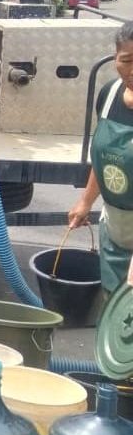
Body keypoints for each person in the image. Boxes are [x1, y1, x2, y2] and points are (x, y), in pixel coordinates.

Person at [68, 21, 133, 295]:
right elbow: (106, 159)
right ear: (115, 58)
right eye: (127, 60)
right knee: (113, 314)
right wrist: (85, 201)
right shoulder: (109, 96)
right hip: (115, 227)